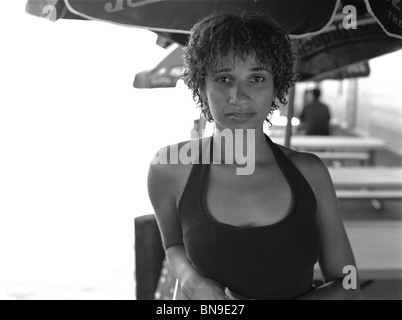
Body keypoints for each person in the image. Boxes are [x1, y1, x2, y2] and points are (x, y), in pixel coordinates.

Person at [147, 12, 359, 300]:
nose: (240, 96)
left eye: (257, 77)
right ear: (201, 87)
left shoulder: (310, 172)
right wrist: (191, 280)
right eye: (223, 78)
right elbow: (172, 244)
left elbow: (347, 283)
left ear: (276, 88)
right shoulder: (169, 168)